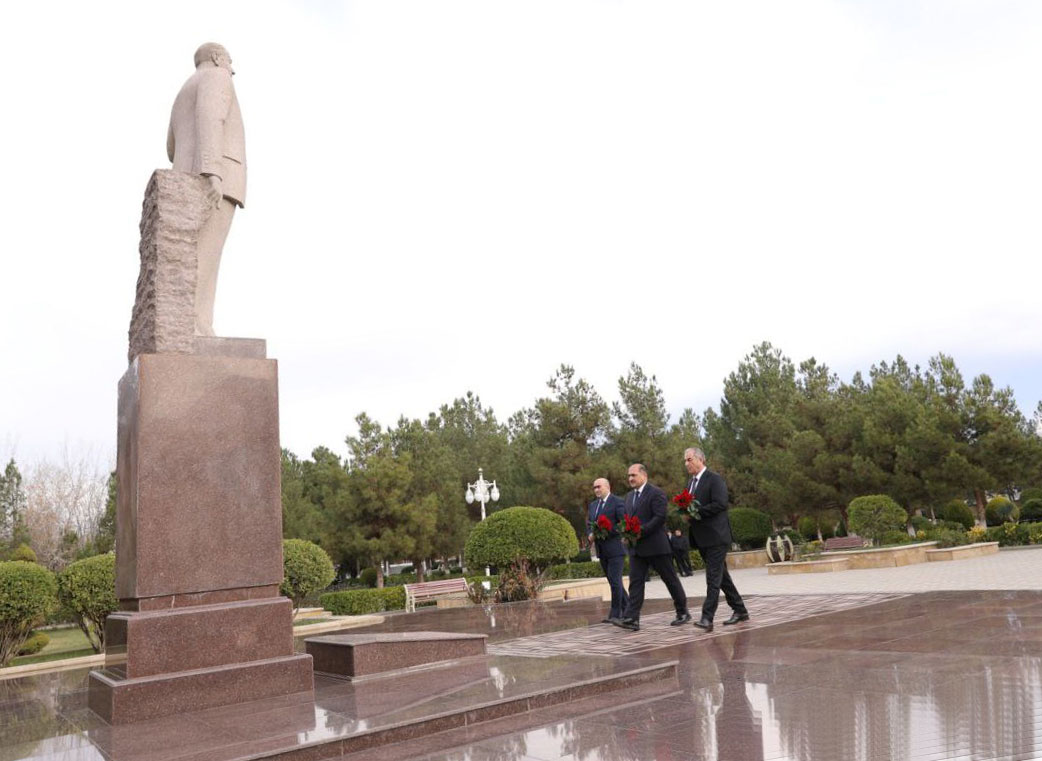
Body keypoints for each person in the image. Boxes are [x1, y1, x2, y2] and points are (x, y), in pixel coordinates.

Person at [167, 42, 247, 337]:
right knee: (206, 256)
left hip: (184, 175)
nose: (232, 68)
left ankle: (197, 324)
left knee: (194, 256)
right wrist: (213, 170)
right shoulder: (217, 77)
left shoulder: (183, 90)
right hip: (214, 178)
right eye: (229, 59)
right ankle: (197, 327)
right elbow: (212, 117)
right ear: (216, 57)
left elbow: (171, 146)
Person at [613, 464, 691, 632]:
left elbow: (659, 517)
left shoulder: (656, 493)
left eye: (633, 475)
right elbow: (627, 520)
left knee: (670, 580)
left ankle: (683, 612)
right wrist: (627, 535)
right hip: (636, 548)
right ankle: (632, 618)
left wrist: (641, 531)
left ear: (643, 475)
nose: (630, 479)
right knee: (635, 583)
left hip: (656, 546)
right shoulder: (628, 497)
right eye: (629, 476)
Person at [684, 447, 748, 632]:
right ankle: (740, 610)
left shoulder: (714, 479)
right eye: (685, 460)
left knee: (713, 578)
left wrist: (696, 512)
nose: (686, 464)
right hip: (701, 538)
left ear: (700, 459)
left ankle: (707, 618)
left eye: (689, 459)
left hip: (717, 537)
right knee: (722, 578)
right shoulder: (690, 483)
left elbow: (721, 504)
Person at [587, 478, 629, 623]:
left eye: (599, 487)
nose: (596, 490)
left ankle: (616, 614)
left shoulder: (617, 502)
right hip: (601, 549)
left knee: (615, 581)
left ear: (607, 487)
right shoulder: (593, 505)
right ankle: (629, 608)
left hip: (615, 547)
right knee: (613, 581)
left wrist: (605, 530)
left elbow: (622, 523)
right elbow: (589, 524)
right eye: (594, 487)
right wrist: (590, 534)